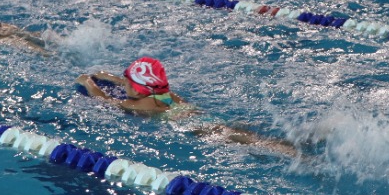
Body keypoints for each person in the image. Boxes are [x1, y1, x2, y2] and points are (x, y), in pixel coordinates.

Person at [76, 57, 296, 155]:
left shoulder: (141, 104)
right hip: (205, 118)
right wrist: (109, 77)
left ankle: (298, 156)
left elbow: (105, 100)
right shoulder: (164, 94)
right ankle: (299, 142)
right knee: (251, 135)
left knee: (257, 143)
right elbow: (136, 83)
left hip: (200, 128)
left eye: (127, 81)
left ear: (139, 87)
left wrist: (88, 82)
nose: (124, 83)